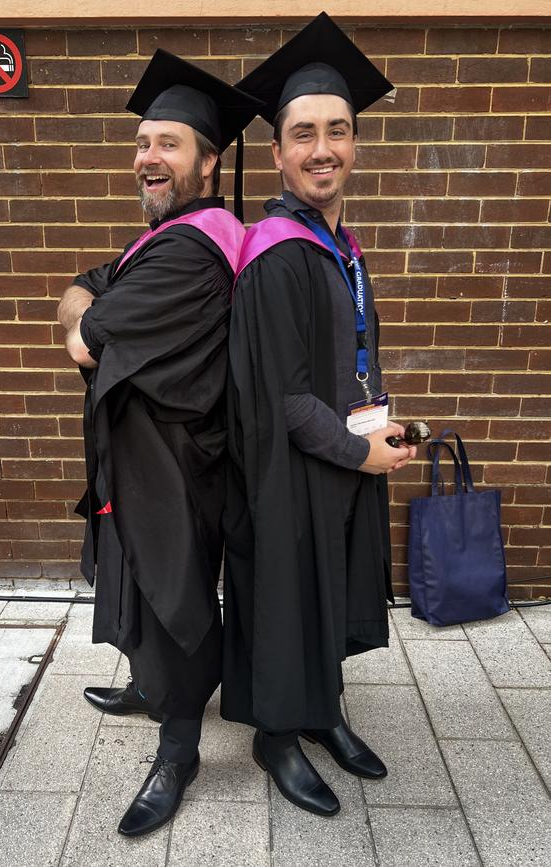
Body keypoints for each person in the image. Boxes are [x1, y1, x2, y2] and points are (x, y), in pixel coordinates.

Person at [57, 50, 261, 837]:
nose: (148, 157)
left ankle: (180, 748)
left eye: (169, 143)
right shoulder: (166, 237)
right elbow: (89, 280)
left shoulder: (193, 249)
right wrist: (84, 298)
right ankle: (151, 690)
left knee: (175, 598)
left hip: (177, 466)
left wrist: (83, 309)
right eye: (143, 142)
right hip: (143, 457)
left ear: (209, 162)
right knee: (140, 581)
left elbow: (87, 334)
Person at [221, 13, 418, 817]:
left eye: (339, 130)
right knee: (284, 597)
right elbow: (284, 395)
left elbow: (351, 356)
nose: (323, 148)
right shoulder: (276, 252)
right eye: (304, 133)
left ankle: (324, 710)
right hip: (287, 468)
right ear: (277, 152)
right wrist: (356, 450)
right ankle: (276, 733)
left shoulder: (343, 243)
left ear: (356, 142)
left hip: (340, 453)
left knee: (328, 593)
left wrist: (380, 422)